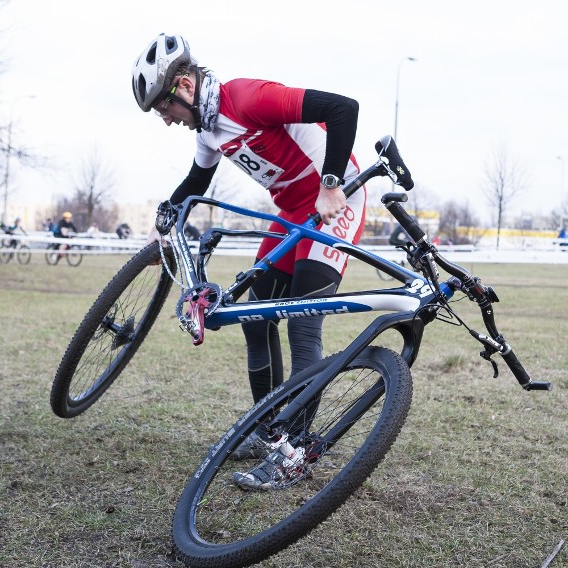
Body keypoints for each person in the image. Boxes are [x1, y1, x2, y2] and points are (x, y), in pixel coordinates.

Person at [132, 33, 365, 490]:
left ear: (182, 87)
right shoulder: (208, 128)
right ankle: (269, 433)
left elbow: (343, 109)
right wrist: (170, 208)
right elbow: (198, 179)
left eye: (164, 109)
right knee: (256, 322)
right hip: (294, 212)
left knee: (301, 324)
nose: (166, 120)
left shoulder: (248, 97)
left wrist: (332, 182)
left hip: (338, 198)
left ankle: (294, 453)